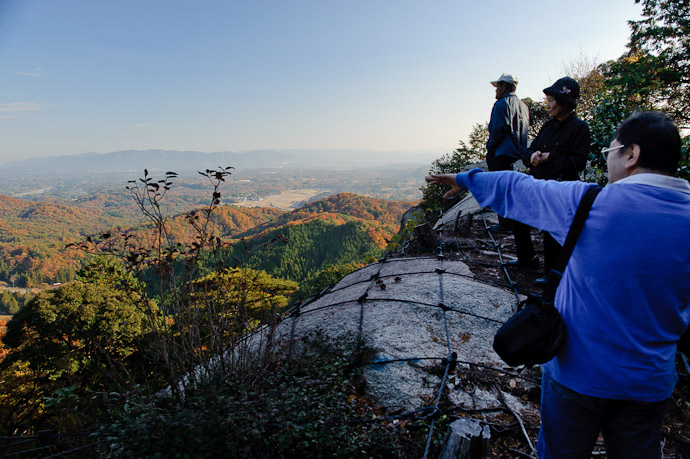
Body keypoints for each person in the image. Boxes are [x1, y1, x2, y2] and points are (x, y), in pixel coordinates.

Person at [426, 111, 690, 458]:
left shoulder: (591, 204)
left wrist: (466, 177)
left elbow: (517, 189)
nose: (608, 162)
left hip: (578, 374)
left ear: (631, 154)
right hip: (649, 380)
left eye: (610, 153)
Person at [518, 77, 590, 284]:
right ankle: (527, 258)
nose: (547, 105)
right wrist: (531, 156)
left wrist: (550, 157)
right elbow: (530, 150)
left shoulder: (579, 129)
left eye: (551, 100)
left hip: (561, 188)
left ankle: (553, 276)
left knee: (553, 232)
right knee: (518, 215)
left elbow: (579, 162)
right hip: (539, 183)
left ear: (564, 101)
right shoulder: (548, 127)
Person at [485, 73, 536, 266]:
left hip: (502, 151)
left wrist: (490, 148)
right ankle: (509, 222)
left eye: (497, 87)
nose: (496, 91)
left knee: (500, 187)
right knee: (510, 188)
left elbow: (497, 129)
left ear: (504, 88)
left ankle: (504, 222)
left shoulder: (500, 105)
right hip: (517, 151)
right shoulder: (523, 105)